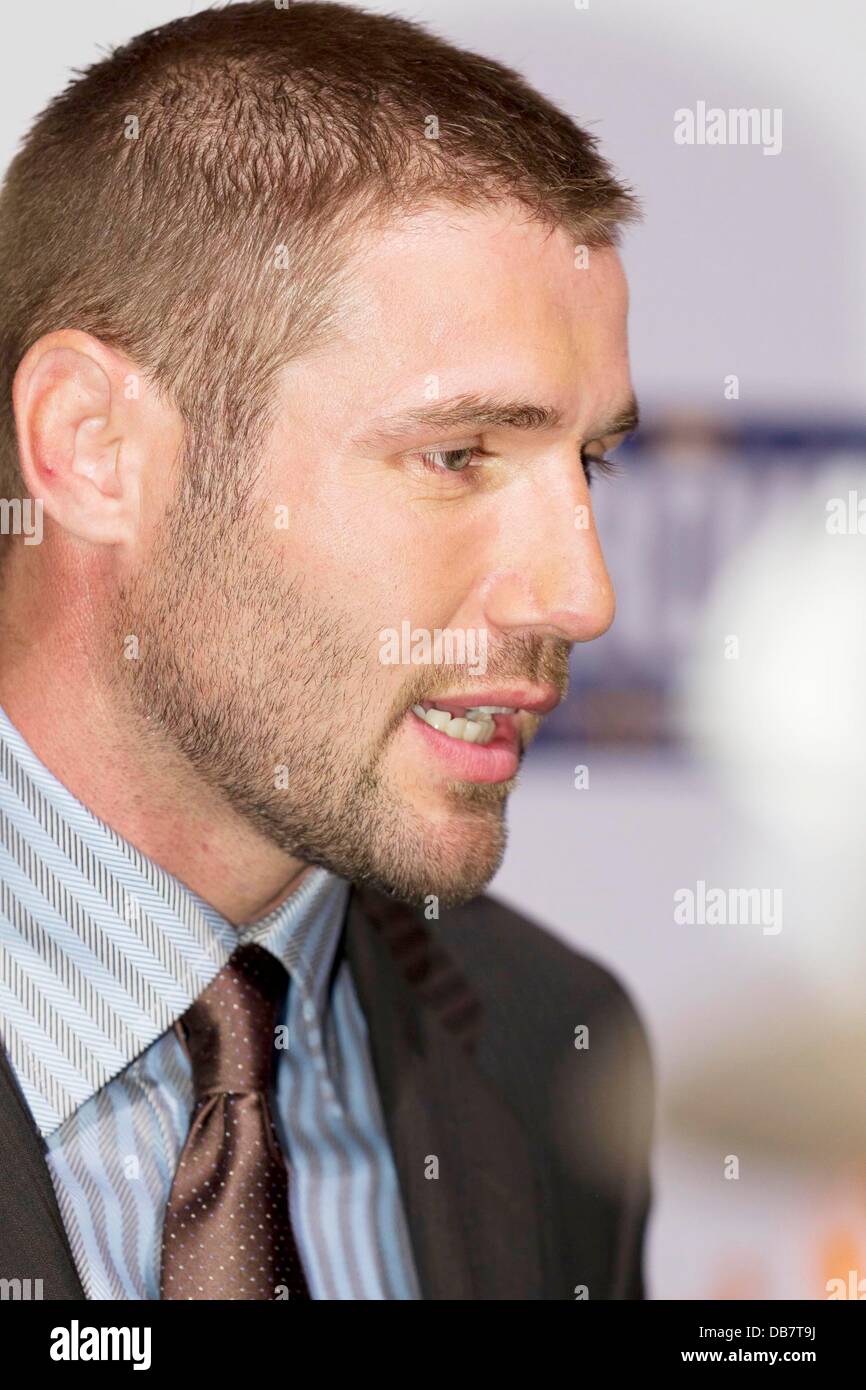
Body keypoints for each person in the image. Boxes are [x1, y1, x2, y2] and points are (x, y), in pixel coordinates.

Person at [0, 0, 653, 1300]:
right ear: (92, 448)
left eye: (586, 460)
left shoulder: (550, 1041)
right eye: (456, 455)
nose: (582, 596)